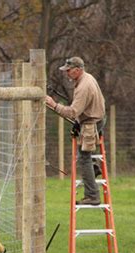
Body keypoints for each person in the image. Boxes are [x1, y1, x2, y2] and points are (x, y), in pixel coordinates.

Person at [45, 57, 105, 205]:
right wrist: (79, 123)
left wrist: (53, 105)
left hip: (91, 123)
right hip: (96, 119)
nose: (67, 73)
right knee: (86, 156)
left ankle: (92, 196)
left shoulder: (84, 87)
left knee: (83, 157)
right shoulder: (88, 78)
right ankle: (94, 168)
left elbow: (72, 112)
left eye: (69, 70)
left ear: (78, 70)